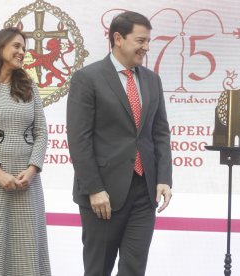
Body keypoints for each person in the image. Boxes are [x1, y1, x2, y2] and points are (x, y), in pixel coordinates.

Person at [67, 11, 172, 276]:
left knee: (134, 270)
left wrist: (164, 178)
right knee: (98, 270)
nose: (146, 47)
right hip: (102, 196)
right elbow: (79, 140)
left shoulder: (152, 79)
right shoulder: (87, 78)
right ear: (117, 38)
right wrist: (93, 189)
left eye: (148, 41)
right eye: (141, 40)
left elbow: (159, 133)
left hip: (144, 193)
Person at [0, 27, 51, 275]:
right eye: (17, 46)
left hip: (25, 182)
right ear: (0, 48)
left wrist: (32, 170)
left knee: (26, 246)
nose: (22, 52)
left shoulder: (30, 87)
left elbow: (41, 132)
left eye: (24, 48)